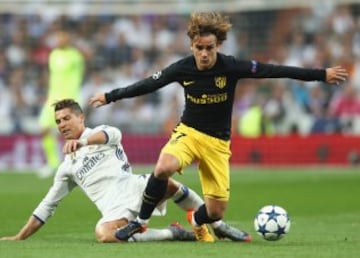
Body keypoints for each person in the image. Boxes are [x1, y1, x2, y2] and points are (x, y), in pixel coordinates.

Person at [89, 12, 348, 242]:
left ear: (218, 45)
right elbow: (147, 84)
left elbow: (274, 70)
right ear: (191, 45)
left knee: (215, 211)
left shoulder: (231, 66)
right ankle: (141, 222)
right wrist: (110, 96)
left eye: (209, 48)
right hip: (188, 133)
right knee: (163, 167)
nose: (204, 53)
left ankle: (197, 222)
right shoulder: (182, 68)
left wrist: (320, 74)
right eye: (199, 48)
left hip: (218, 144)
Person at [0, 99, 249, 243]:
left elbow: (113, 134)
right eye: (58, 121)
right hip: (113, 210)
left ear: (80, 118)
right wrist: (19, 237)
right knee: (103, 234)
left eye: (66, 118)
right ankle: (171, 233)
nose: (61, 125)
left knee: (165, 182)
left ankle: (216, 224)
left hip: (134, 187)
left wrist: (84, 142)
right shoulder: (67, 168)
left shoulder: (102, 134)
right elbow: (47, 206)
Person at [38, 29, 85, 178]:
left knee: (73, 133)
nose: (59, 40)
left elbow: (80, 74)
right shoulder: (53, 55)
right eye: (57, 37)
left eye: (62, 37)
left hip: (69, 99)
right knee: (44, 129)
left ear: (68, 39)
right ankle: (52, 164)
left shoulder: (75, 56)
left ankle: (78, 163)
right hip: (52, 99)